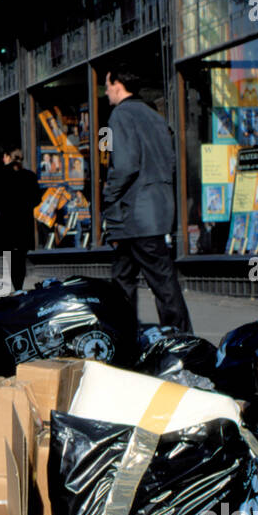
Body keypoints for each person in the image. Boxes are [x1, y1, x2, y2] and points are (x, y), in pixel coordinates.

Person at [100, 64, 192, 332]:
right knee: (126, 276)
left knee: (157, 279)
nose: (106, 93)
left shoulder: (120, 115)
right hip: (155, 209)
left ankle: (179, 335)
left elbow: (125, 165)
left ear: (118, 84)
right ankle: (126, 331)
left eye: (107, 86)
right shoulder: (155, 116)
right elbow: (171, 162)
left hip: (135, 214)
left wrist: (109, 196)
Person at [0, 147, 41, 292]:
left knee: (9, 256)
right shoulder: (29, 176)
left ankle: (15, 285)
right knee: (20, 256)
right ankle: (19, 285)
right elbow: (37, 198)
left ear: (9, 157)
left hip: (6, 222)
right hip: (23, 221)